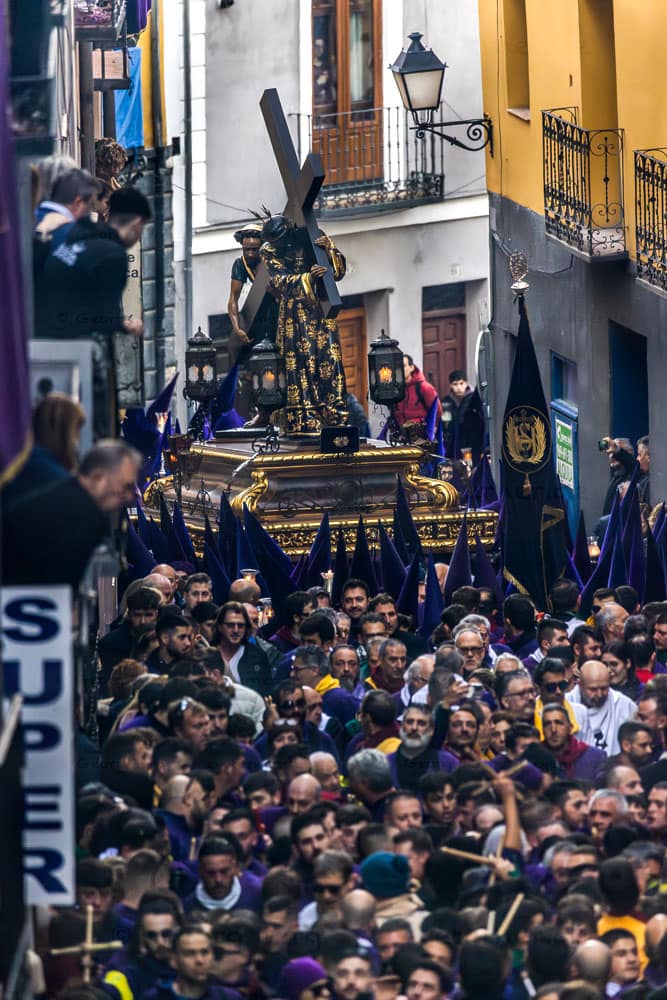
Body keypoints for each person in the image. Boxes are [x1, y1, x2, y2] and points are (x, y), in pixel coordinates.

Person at [35, 187, 152, 438]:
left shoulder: (77, 236)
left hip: (41, 344)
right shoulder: (113, 255)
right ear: (136, 223)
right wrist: (126, 327)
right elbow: (103, 318)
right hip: (77, 351)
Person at [2, 439, 141, 588]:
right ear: (98, 478)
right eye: (126, 487)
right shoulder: (82, 519)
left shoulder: (65, 495)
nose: (129, 496)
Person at [261, 214, 348, 433]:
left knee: (329, 359)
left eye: (281, 239)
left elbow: (337, 273)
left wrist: (330, 249)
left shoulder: (312, 236)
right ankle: (304, 416)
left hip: (321, 311)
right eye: (275, 241)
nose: (279, 244)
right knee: (300, 363)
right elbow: (279, 280)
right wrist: (309, 278)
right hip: (294, 314)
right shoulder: (268, 251)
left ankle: (333, 412)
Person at [440, 369, 486, 465]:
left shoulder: (473, 399)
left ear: (466, 383)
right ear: (450, 385)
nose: (459, 388)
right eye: (455, 384)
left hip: (472, 441)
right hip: (452, 442)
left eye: (461, 383)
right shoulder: (446, 402)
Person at [393, 355, 441, 436]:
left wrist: (432, 429)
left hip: (421, 433)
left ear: (411, 367)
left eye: (404, 366)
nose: (400, 369)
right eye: (397, 367)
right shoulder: (396, 389)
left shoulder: (424, 387)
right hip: (402, 434)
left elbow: (437, 410)